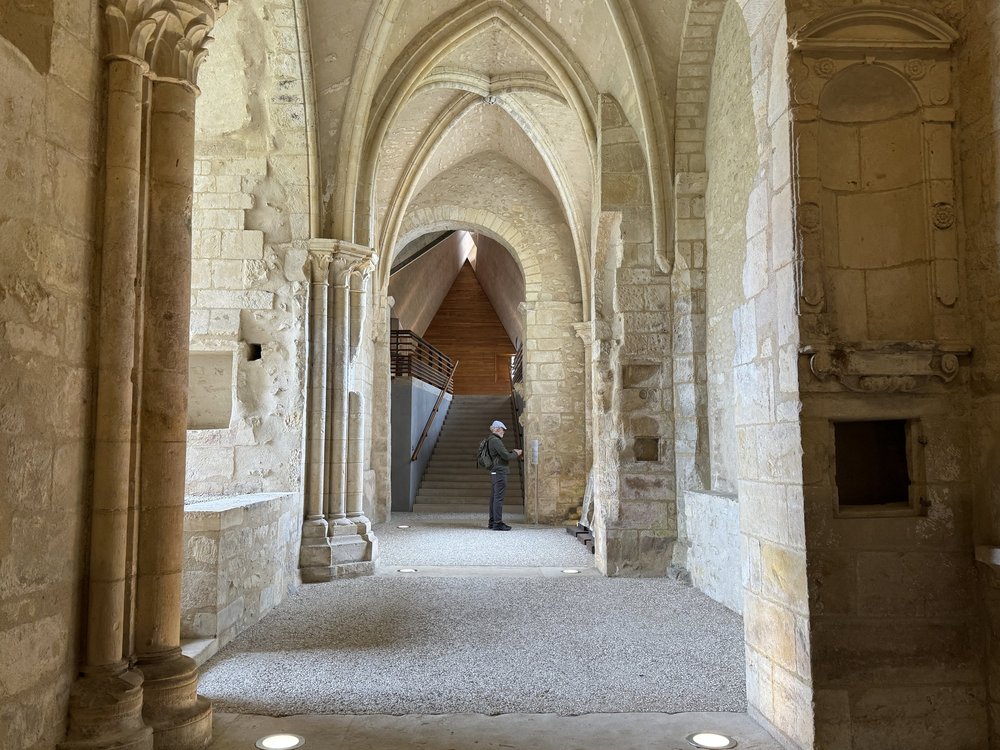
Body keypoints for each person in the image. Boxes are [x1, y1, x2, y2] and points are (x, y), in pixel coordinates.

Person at [485, 420, 522, 531]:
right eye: (502, 429)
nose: (504, 432)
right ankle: (497, 523)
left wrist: (511, 451)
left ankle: (492, 522)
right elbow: (506, 456)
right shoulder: (496, 441)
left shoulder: (490, 440)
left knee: (494, 498)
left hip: (495, 472)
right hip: (500, 472)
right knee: (498, 498)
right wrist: (516, 453)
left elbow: (500, 454)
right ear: (497, 429)